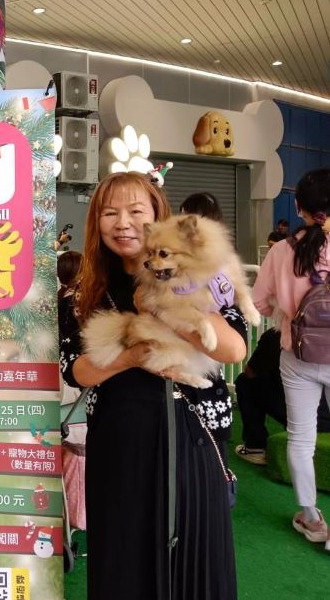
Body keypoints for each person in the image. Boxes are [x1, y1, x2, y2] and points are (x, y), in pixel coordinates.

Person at [60, 171, 247, 599]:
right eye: (110, 213)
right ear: (96, 222)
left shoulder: (200, 274)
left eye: (135, 211)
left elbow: (234, 348)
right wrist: (130, 357)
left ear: (158, 215)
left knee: (197, 560)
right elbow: (76, 371)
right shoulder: (83, 291)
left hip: (194, 437)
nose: (123, 223)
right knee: (124, 558)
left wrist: (162, 307)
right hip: (120, 440)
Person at [252, 168, 330, 549]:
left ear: (298, 207)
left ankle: (312, 519)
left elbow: (259, 303)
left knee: (301, 439)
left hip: (298, 354)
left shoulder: (281, 251)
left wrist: (286, 306)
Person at [235, 327, 330, 465]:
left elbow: (250, 373)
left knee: (245, 382)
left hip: (310, 418)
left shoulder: (278, 335)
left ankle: (255, 447)